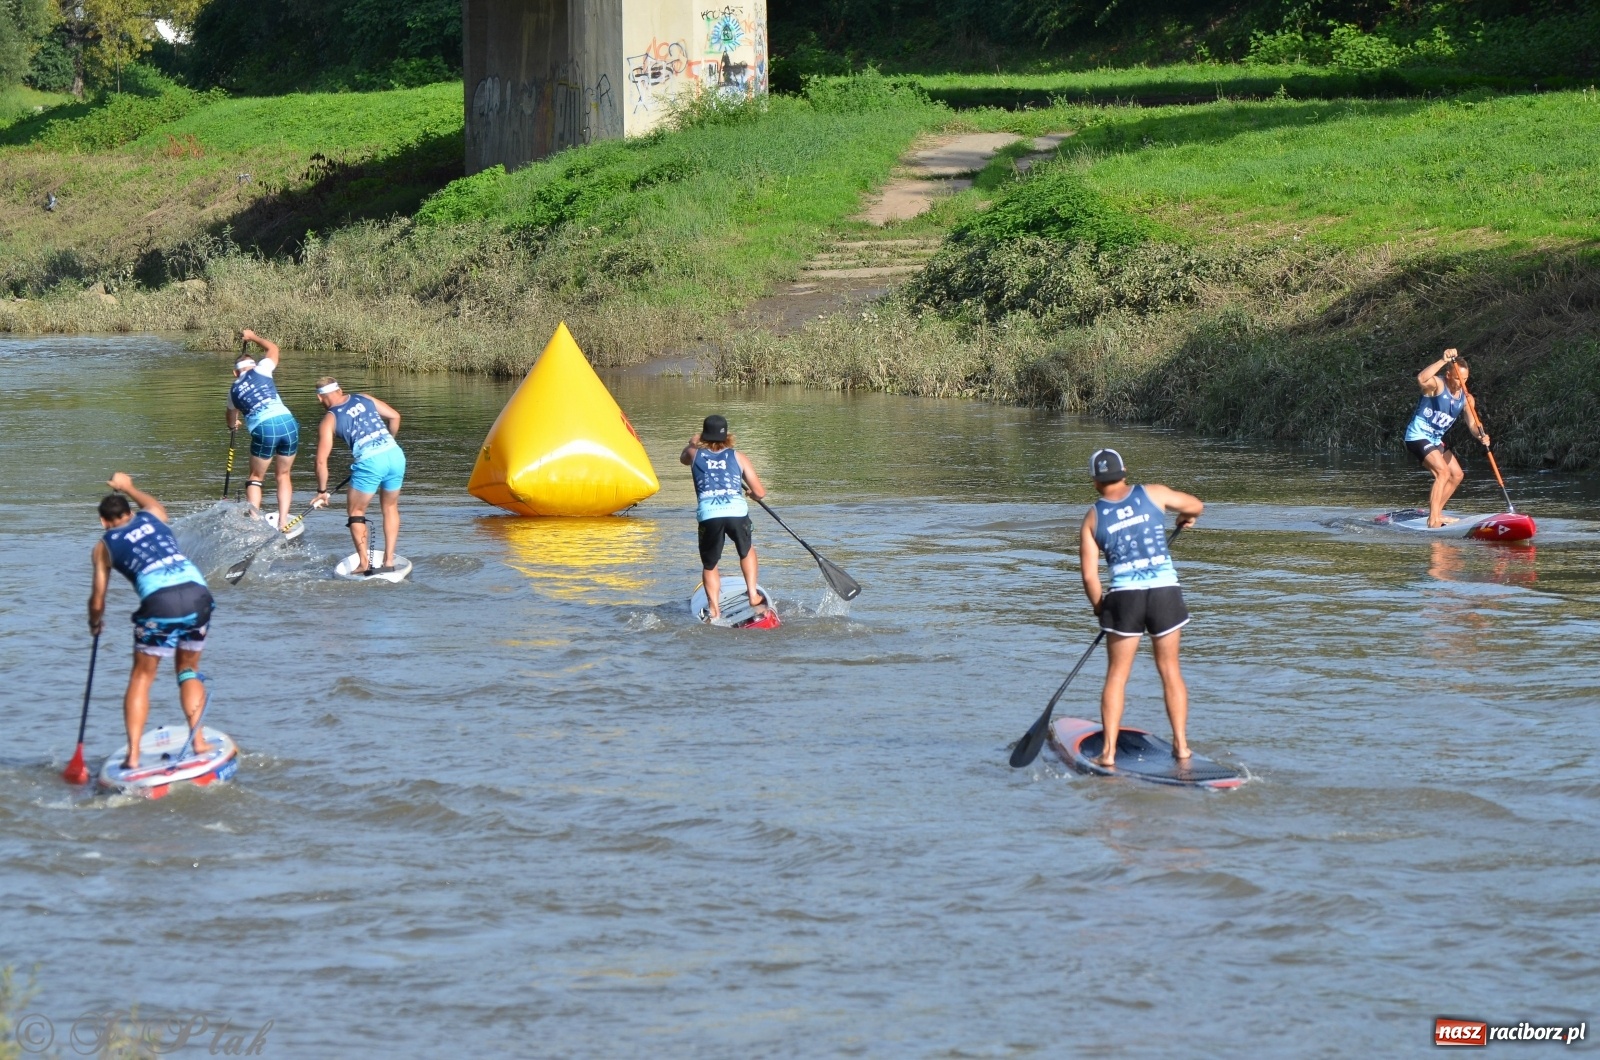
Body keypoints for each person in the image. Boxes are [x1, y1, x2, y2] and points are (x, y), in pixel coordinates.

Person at [1079, 448, 1204, 768]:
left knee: (1117, 677)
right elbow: (1196, 505)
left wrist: (1100, 607)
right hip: (1164, 593)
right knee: (1170, 671)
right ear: (1124, 473)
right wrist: (1185, 517)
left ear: (1095, 482)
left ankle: (1108, 753)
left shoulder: (1092, 518)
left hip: (1124, 598)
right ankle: (1182, 747)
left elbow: (1090, 576)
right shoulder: (1154, 493)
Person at [89, 474, 215, 770]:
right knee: (188, 671)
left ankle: (133, 756)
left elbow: (97, 600)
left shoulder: (103, 547)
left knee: (142, 678)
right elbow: (153, 505)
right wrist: (127, 487)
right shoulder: (154, 517)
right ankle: (198, 743)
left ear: (103, 521)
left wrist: (95, 622)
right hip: (199, 596)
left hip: (160, 604)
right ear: (131, 512)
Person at [312, 377, 405, 576]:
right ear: (340, 390)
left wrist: (322, 491)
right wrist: (387, 442)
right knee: (390, 507)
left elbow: (320, 461)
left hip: (370, 463)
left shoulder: (329, 419)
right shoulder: (364, 397)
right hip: (395, 454)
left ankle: (364, 563)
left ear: (320, 398)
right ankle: (389, 561)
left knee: (356, 511)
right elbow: (395, 417)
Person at [679, 414, 767, 620]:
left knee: (710, 564)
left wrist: (692, 442)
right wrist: (751, 494)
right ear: (727, 436)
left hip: (709, 515)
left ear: (704, 435)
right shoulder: (739, 457)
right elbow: (760, 492)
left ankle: (714, 609)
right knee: (746, 550)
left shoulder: (694, 454)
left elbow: (683, 458)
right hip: (736, 513)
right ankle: (753, 595)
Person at [1405, 347, 1490, 527]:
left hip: (1435, 440)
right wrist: (1443, 360)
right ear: (1449, 375)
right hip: (1417, 436)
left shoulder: (1467, 398)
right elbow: (1421, 379)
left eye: (1465, 379)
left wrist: (1481, 435)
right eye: (1458, 378)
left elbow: (1473, 425)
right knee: (1443, 473)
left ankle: (1437, 513)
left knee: (1457, 475)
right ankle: (1433, 520)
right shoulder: (1437, 385)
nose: (1462, 383)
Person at [226, 329, 299, 529]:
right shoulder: (262, 369)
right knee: (283, 475)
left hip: (264, 428)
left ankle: (255, 523)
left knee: (255, 477)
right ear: (253, 365)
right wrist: (253, 337)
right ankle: (283, 522)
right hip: (288, 423)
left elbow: (231, 419)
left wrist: (234, 424)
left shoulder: (233, 391)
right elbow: (273, 348)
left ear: (235, 373)